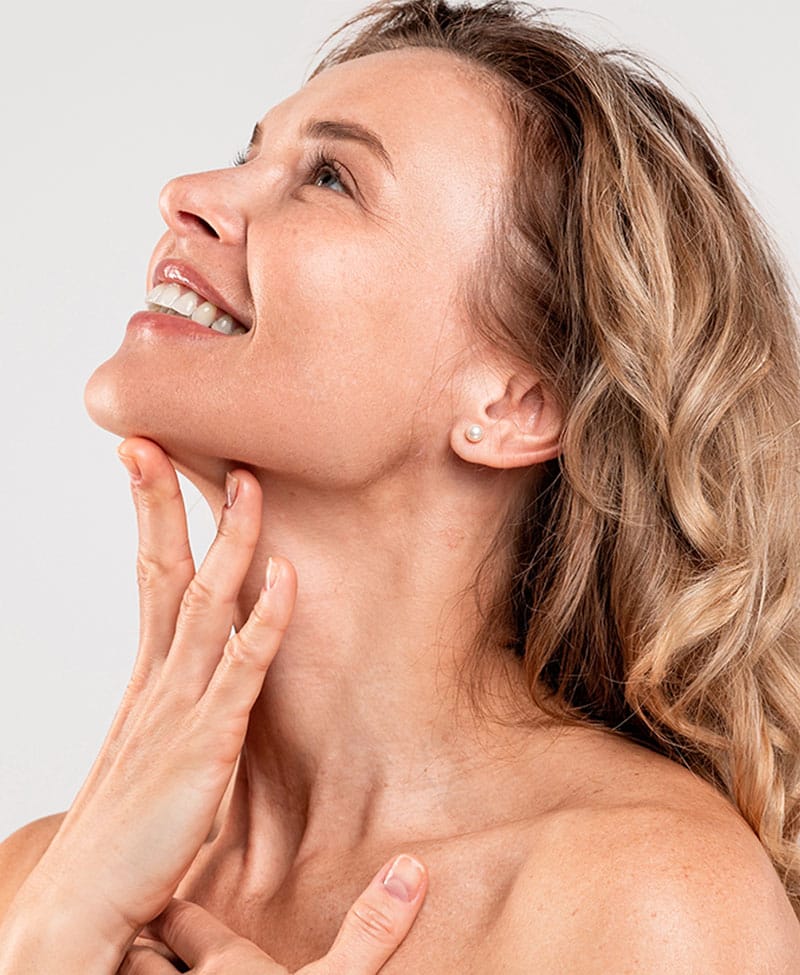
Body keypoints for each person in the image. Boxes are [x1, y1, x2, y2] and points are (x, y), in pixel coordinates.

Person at [2, 0, 799, 971]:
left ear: (515, 402)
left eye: (329, 177)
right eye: (247, 152)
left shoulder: (642, 896)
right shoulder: (42, 878)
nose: (187, 192)